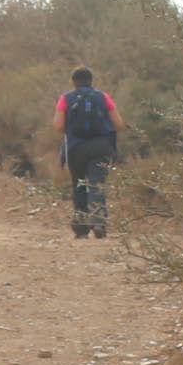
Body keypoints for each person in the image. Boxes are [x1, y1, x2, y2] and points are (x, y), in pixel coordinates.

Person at [58, 67, 121, 239]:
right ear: (91, 81)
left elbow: (58, 125)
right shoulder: (103, 97)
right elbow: (118, 123)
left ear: (73, 82)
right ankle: (99, 222)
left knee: (79, 185)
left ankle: (81, 229)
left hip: (76, 149)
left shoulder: (65, 98)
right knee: (97, 183)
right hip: (101, 147)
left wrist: (72, 129)